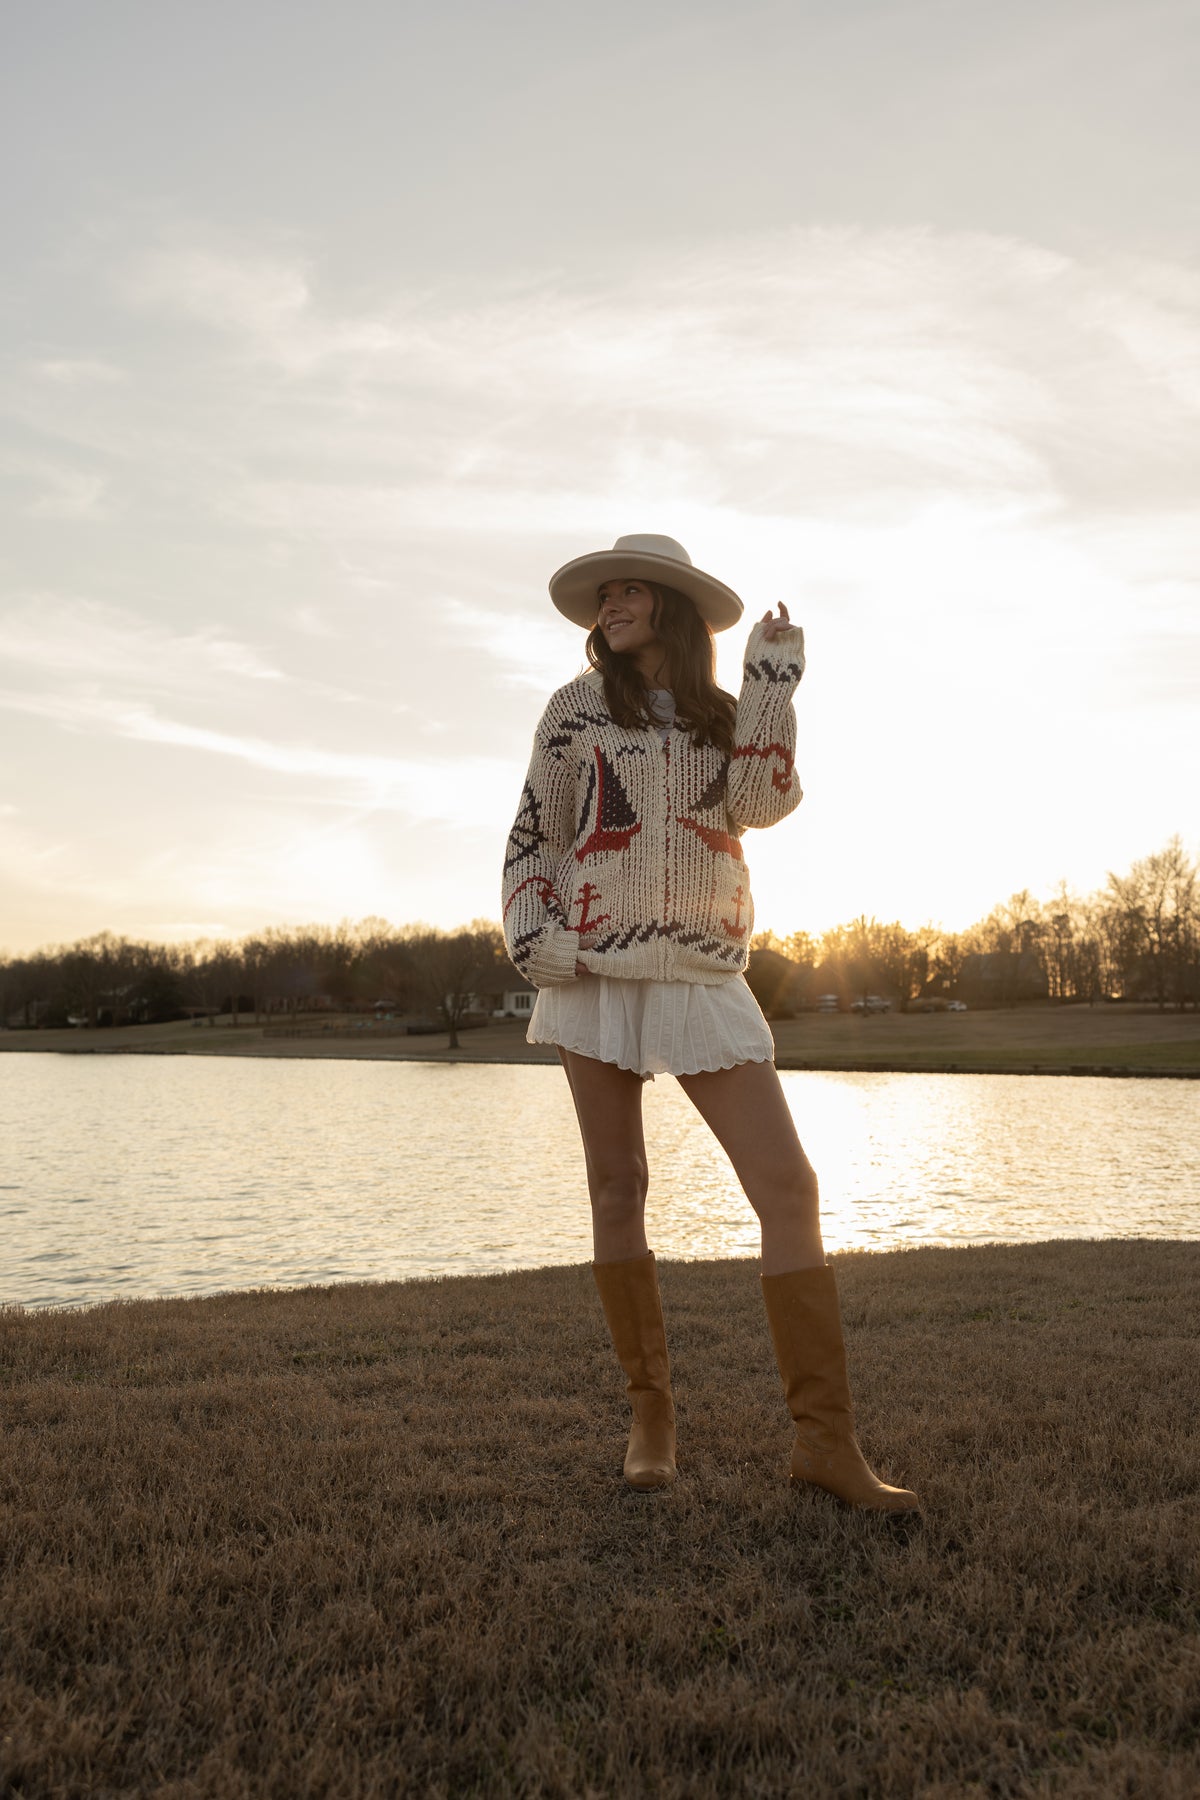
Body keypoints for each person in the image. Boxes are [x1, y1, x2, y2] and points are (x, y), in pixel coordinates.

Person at [501, 534, 917, 1513]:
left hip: (700, 971)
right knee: (619, 1186)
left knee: (789, 1186)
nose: (610, 604)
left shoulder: (724, 715)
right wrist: (535, 939)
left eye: (629, 590)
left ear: (672, 606)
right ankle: (651, 1417)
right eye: (604, 594)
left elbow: (764, 802)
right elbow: (534, 836)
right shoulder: (572, 711)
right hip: (591, 971)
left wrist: (772, 685)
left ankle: (825, 1443)